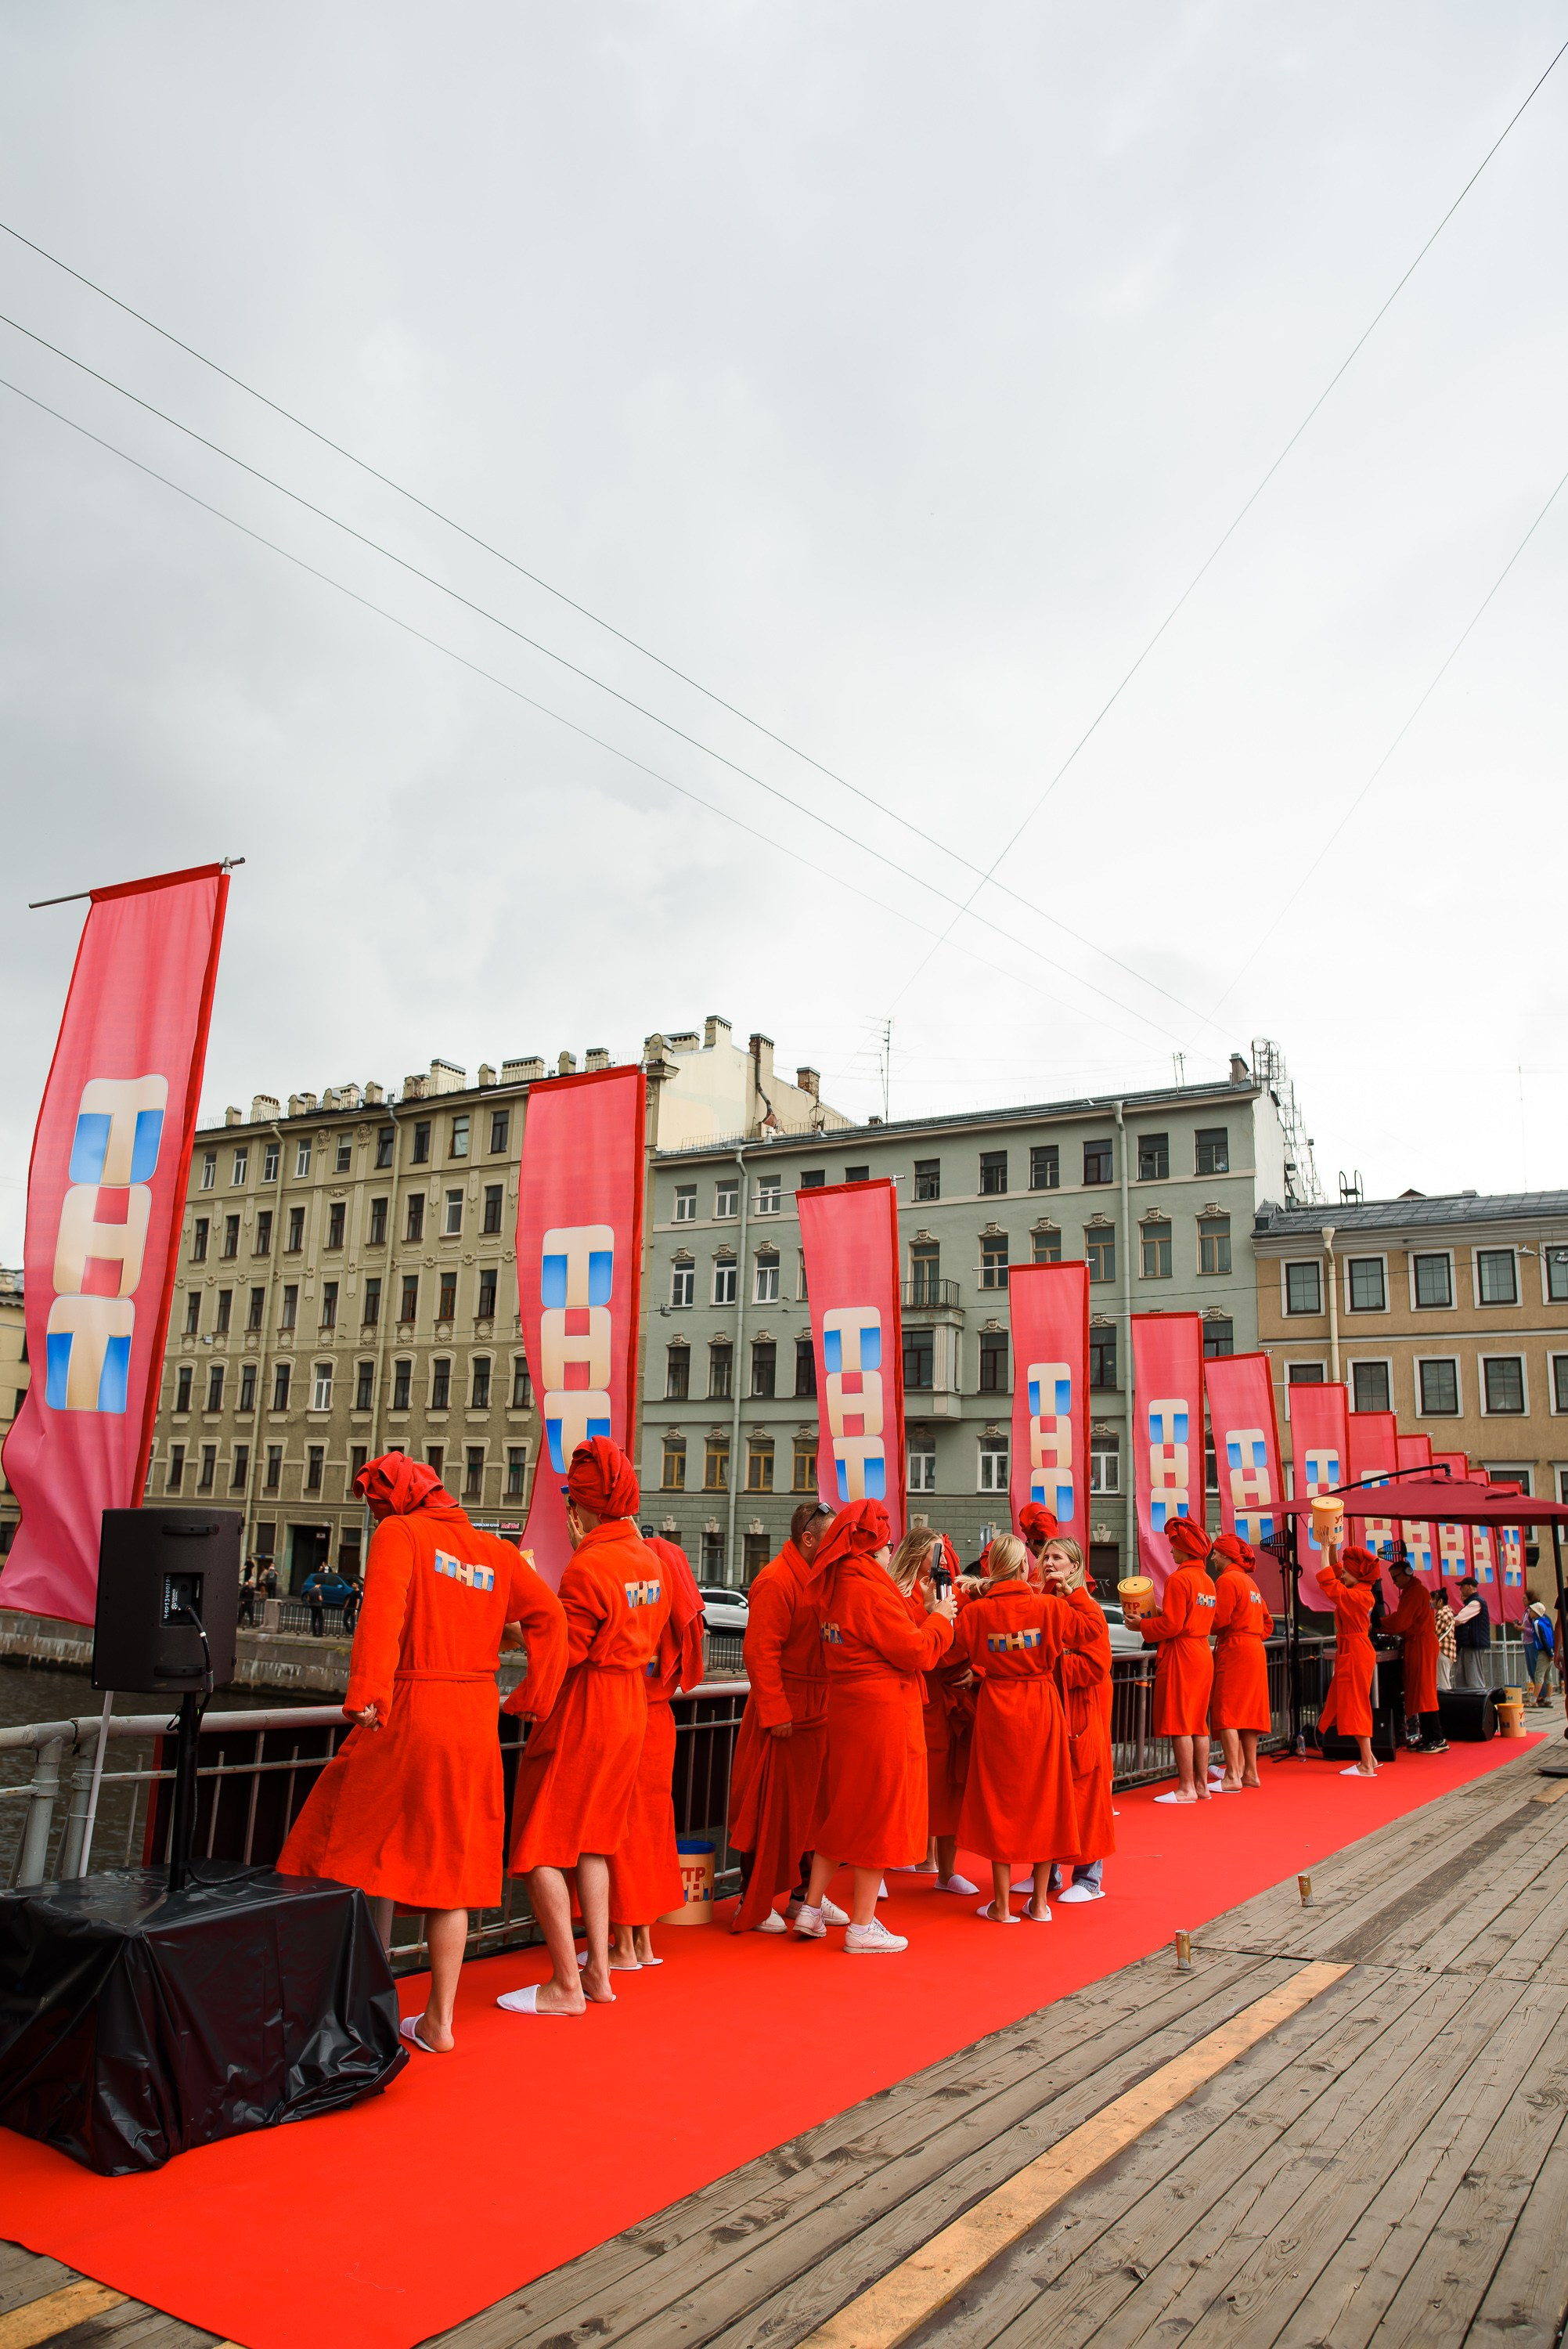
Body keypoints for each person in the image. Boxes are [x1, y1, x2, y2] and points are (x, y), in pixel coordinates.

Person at [277, 1452, 567, 2054]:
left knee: (327, 1844)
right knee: (450, 1872)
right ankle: (438, 2022)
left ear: (398, 1500)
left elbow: (381, 1616)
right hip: (474, 1717)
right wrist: (532, 1696)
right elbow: (551, 1621)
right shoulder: (495, 1551)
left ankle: (320, 1999)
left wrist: (365, 1696)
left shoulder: (400, 1533)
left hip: (411, 1707)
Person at [500, 1437, 668, 2017]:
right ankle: (598, 1969)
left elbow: (565, 1651)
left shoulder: (589, 1565)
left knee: (538, 1846)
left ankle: (564, 1985)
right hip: (630, 1706)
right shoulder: (647, 1559)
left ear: (580, 1506)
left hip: (588, 1706)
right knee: (595, 1841)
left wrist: (518, 1623)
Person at [794, 1499, 956, 1953]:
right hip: (883, 1711)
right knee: (880, 1813)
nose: (891, 1555)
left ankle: (811, 1906)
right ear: (873, 1549)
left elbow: (885, 1640)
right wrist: (942, 1620)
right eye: (886, 1546)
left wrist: (926, 1616)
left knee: (844, 1808)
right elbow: (916, 1653)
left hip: (848, 1708)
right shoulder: (867, 1588)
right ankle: (862, 1926)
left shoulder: (835, 1584)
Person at [945, 1533, 1081, 1924]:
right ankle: (1039, 1902)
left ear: (990, 1569)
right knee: (1045, 1798)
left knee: (998, 1800)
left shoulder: (975, 1614)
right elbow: (1088, 1633)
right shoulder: (1048, 1608)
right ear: (1026, 1566)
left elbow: (948, 1656)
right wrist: (1073, 1595)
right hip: (1041, 1707)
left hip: (996, 1709)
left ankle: (1002, 1905)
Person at [728, 1500, 843, 1934]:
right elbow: (761, 1652)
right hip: (786, 1711)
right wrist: (776, 1711)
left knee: (812, 1809)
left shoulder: (819, 1575)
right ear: (809, 1539)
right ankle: (751, 1896)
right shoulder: (776, 1579)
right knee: (766, 1807)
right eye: (832, 1536)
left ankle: (802, 1895)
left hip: (816, 1707)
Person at [606, 1534, 707, 1966]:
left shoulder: (636, 1594)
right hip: (660, 1721)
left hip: (628, 1715)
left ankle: (623, 1945)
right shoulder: (667, 1594)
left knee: (620, 1832)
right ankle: (643, 1942)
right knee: (652, 1830)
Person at [897, 1525, 978, 1897]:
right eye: (937, 1554)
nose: (943, 1560)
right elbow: (912, 1644)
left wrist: (976, 1670)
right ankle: (882, 1866)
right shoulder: (896, 1592)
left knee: (948, 1787)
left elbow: (973, 1631)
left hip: (946, 1702)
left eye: (945, 1553)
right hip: (914, 1699)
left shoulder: (948, 1589)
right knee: (902, 1785)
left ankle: (946, 1870)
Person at [1041, 1535, 1115, 1902]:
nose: (1049, 1563)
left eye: (1057, 1557)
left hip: (1080, 1711)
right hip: (1051, 1711)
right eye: (1045, 1556)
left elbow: (1097, 1666)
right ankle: (1048, 1872)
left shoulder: (1088, 1609)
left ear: (1075, 1566)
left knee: (1086, 1794)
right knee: (1051, 1795)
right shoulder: (1040, 1602)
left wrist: (1048, 1666)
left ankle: (1089, 1878)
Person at [1137, 1517, 1217, 1804]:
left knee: (1181, 1722)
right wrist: (1160, 1612)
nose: (1171, 1552)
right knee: (1198, 1723)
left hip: (1182, 1654)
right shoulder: (1207, 1580)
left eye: (1174, 1546)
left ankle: (1185, 1788)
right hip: (1201, 1653)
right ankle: (1202, 1786)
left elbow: (1172, 1625)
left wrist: (1142, 1626)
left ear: (1184, 1549)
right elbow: (1185, 1617)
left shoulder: (1179, 1578)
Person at [1209, 1532, 1274, 1790]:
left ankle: (1232, 1776)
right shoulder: (1250, 1582)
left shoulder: (1227, 1581)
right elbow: (1267, 1622)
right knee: (1249, 1713)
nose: (1212, 1557)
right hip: (1254, 1648)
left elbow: (1218, 1620)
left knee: (1228, 1711)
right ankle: (1250, 1773)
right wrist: (1252, 1634)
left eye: (1216, 1552)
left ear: (1225, 1555)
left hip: (1235, 1649)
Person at [1317, 1532, 1381, 1777]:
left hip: (1354, 1651)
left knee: (1355, 1705)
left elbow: (1328, 1581)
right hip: (1355, 1650)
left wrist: (1324, 1547)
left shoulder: (1356, 1597)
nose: (1341, 1573)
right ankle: (1370, 1758)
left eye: (1346, 1571)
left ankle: (1366, 1764)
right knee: (1355, 1702)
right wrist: (1333, 1546)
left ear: (1357, 1574)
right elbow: (1335, 1573)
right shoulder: (1361, 1593)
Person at [1386, 1560, 1445, 1752]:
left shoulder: (1414, 1593)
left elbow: (1401, 1623)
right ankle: (1429, 1736)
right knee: (1422, 1690)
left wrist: (1380, 1623)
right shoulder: (1417, 1592)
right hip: (1419, 1643)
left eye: (1395, 1578)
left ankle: (1436, 1738)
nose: (1394, 1582)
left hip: (1420, 1644)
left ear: (1407, 1573)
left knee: (1424, 1691)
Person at [1453, 1576, 1491, 1691]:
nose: (1460, 1589)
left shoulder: (1476, 1602)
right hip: (1469, 1644)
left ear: (1470, 1587)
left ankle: (1479, 1699)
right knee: (1463, 1677)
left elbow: (1459, 1620)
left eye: (1462, 1586)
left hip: (1473, 1644)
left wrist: (1446, 1621)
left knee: (1473, 1677)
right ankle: (1466, 1699)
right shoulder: (1474, 1602)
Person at [1525, 1594, 1559, 1707]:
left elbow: (1542, 1638)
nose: (1530, 1613)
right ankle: (1548, 1699)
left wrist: (1548, 1652)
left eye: (1531, 1611)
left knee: (1538, 1675)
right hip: (1551, 1649)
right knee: (1549, 1677)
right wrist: (1552, 1651)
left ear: (1536, 1612)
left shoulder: (1536, 1623)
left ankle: (1533, 1700)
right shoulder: (1547, 1620)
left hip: (1543, 1652)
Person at [1435, 1589, 1457, 1690]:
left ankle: (1447, 1705)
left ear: (1440, 1601)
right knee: (1443, 1681)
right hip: (1447, 1651)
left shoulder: (1443, 1613)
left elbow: (1434, 1631)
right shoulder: (1449, 1612)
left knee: (1443, 1685)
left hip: (1442, 1651)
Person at [237, 1560, 257, 1629]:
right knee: (241, 1613)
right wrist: (242, 1600)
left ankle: (252, 1623)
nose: (251, 1583)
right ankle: (239, 1623)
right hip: (244, 1602)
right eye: (250, 1582)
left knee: (251, 1614)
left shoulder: (252, 1589)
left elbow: (252, 1596)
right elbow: (241, 1594)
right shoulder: (245, 1588)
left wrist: (252, 1601)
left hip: (249, 1603)